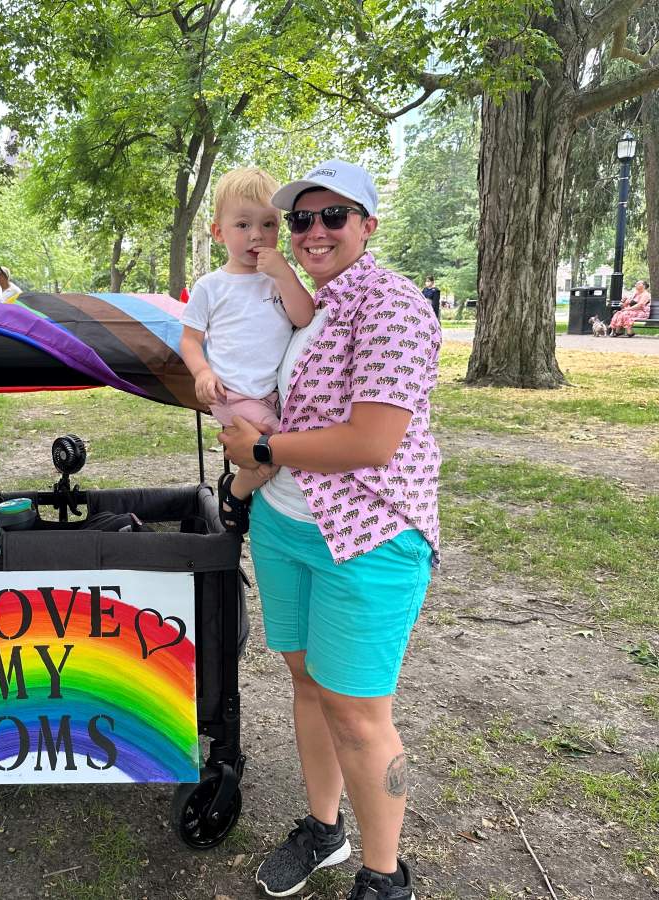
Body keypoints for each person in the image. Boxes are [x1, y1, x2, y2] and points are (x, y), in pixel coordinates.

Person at [218, 160, 440, 900]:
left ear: (367, 226)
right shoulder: (308, 305)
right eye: (302, 219)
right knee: (309, 684)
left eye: (334, 216)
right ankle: (323, 830)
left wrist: (260, 450)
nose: (315, 230)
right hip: (286, 524)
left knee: (359, 713)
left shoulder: (393, 304)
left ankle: (385, 876)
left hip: (368, 538)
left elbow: (372, 440)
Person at [179, 167, 315, 530]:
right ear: (218, 232)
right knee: (276, 452)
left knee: (275, 451)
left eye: (268, 224)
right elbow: (190, 339)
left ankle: (242, 489)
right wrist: (202, 372)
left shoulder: (278, 280)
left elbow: (303, 316)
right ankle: (235, 495)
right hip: (234, 393)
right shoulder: (211, 286)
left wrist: (285, 274)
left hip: (271, 393)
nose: (256, 235)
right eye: (243, 225)